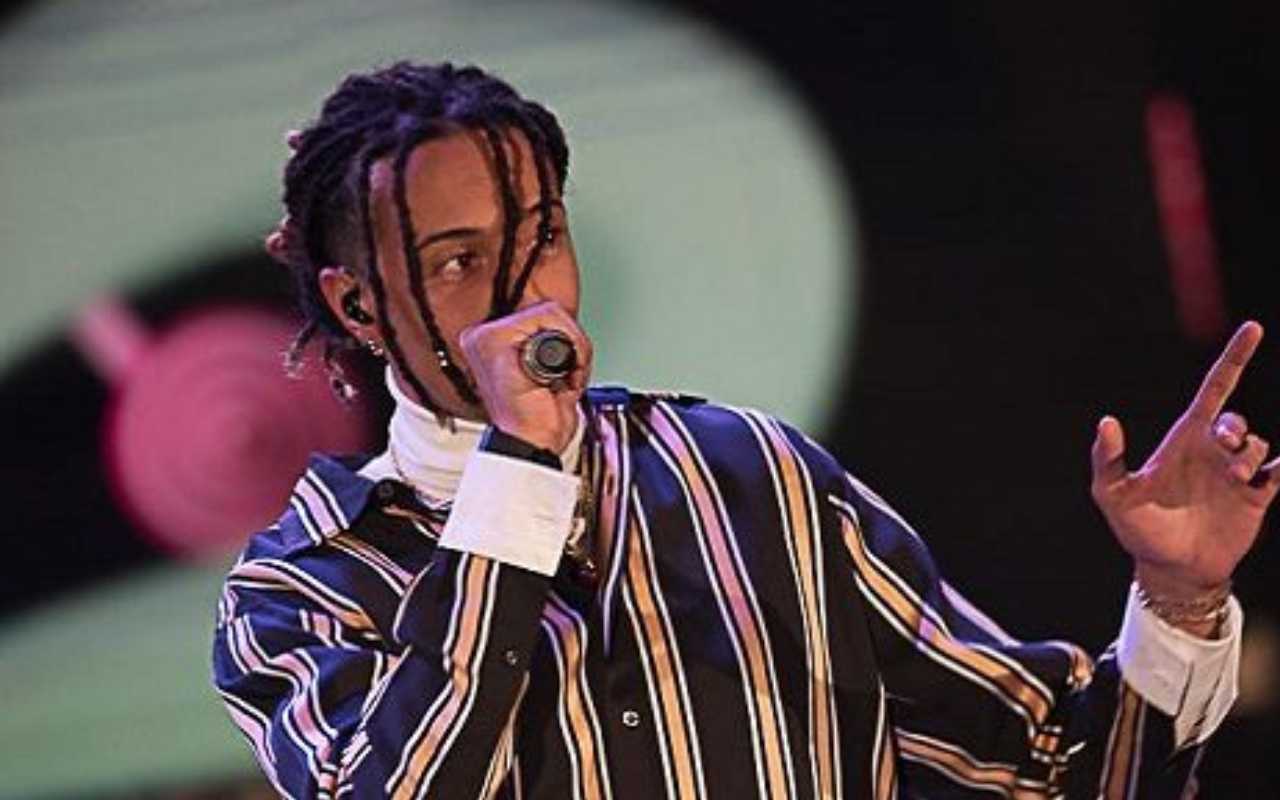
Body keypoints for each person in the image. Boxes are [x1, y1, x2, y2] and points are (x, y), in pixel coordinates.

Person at [212, 61, 1266, 798]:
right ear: (357, 305)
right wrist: (520, 467)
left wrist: (1178, 595)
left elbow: (1044, 767)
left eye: (542, 237)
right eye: (458, 260)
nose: (524, 292)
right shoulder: (304, 586)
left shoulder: (749, 474)